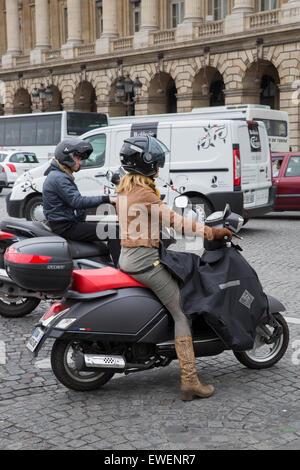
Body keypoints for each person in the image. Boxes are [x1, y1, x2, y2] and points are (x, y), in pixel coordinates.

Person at [115, 135, 232, 401]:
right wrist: (212, 233)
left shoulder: (123, 189)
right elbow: (177, 222)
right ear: (145, 164)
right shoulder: (144, 193)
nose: (158, 167)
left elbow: (149, 221)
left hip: (128, 257)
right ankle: (190, 381)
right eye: (156, 163)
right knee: (182, 314)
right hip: (145, 262)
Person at [43, 137, 117, 261]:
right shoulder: (59, 177)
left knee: (110, 226)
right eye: (78, 158)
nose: (80, 162)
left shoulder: (59, 174)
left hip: (69, 222)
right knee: (113, 231)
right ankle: (121, 270)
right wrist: (108, 199)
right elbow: (77, 201)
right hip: (66, 226)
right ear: (67, 156)